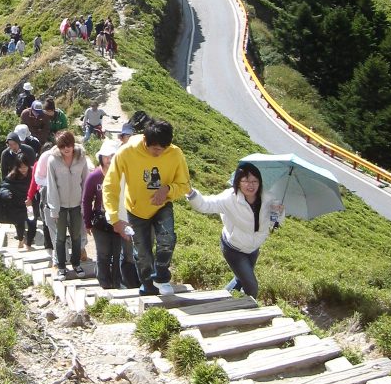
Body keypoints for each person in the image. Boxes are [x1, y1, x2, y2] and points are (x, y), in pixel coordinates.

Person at [102, 117, 190, 297]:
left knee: (167, 237)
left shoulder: (175, 153)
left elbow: (185, 184)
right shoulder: (126, 152)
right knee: (142, 253)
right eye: (156, 149)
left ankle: (162, 277)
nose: (159, 152)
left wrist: (167, 189)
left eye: (163, 149)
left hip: (162, 205)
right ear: (145, 141)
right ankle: (148, 287)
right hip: (135, 209)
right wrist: (114, 218)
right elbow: (110, 185)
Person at [186, 164, 284, 299]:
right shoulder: (229, 198)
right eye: (246, 181)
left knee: (240, 279)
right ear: (238, 182)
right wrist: (191, 193)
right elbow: (205, 205)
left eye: (255, 181)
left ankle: (218, 302)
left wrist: (279, 213)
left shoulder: (268, 199)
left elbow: (275, 223)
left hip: (253, 249)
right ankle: (246, 315)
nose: (251, 185)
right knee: (251, 287)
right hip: (234, 248)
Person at [82, 140, 138, 290]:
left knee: (118, 252)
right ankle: (104, 283)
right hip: (100, 221)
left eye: (113, 155)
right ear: (101, 157)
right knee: (103, 253)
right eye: (106, 156)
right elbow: (86, 200)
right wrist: (87, 223)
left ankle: (117, 282)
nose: (109, 159)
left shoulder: (124, 175)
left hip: (119, 220)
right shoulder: (94, 177)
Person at [46, 130, 90, 280]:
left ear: (73, 144)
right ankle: (61, 266)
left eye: (69, 145)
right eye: (62, 146)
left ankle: (76, 263)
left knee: (77, 236)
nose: (66, 148)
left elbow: (86, 182)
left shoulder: (82, 158)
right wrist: (54, 209)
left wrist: (85, 205)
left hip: (77, 204)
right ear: (58, 146)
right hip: (61, 206)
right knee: (60, 237)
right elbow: (51, 186)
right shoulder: (52, 161)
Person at [0, 158, 34, 250]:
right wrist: (6, 194)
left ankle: (29, 243)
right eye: (20, 167)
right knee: (19, 223)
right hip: (17, 203)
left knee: (32, 223)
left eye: (25, 167)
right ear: (17, 167)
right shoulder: (12, 176)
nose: (23, 169)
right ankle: (21, 239)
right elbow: (4, 186)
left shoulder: (33, 173)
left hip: (30, 202)